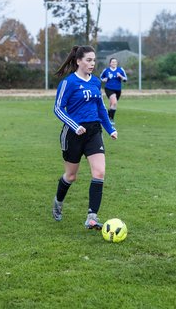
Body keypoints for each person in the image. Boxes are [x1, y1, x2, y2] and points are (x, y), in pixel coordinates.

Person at [52, 45, 117, 230]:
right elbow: (57, 108)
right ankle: (58, 202)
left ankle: (92, 217)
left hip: (94, 132)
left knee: (99, 172)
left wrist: (110, 128)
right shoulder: (68, 83)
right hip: (73, 135)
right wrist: (75, 125)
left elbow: (101, 108)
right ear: (78, 61)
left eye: (94, 60)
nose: (92, 63)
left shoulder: (96, 82)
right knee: (71, 176)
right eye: (88, 60)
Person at [100, 58, 127, 125]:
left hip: (118, 89)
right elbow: (101, 77)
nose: (114, 63)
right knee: (114, 103)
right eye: (112, 62)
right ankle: (111, 119)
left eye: (115, 62)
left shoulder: (120, 70)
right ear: (110, 63)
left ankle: (108, 117)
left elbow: (125, 79)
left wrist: (120, 76)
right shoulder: (106, 70)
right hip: (109, 89)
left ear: (117, 63)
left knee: (112, 105)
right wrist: (104, 79)